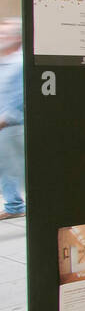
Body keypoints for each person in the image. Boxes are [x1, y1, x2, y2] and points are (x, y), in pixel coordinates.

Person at [0, 19, 23, 220]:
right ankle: (14, 205)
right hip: (5, 126)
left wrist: (5, 119)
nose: (1, 37)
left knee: (15, 167)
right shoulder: (5, 62)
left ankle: (17, 206)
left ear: (17, 38)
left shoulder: (20, 63)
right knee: (5, 166)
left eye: (5, 34)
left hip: (14, 126)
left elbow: (20, 98)